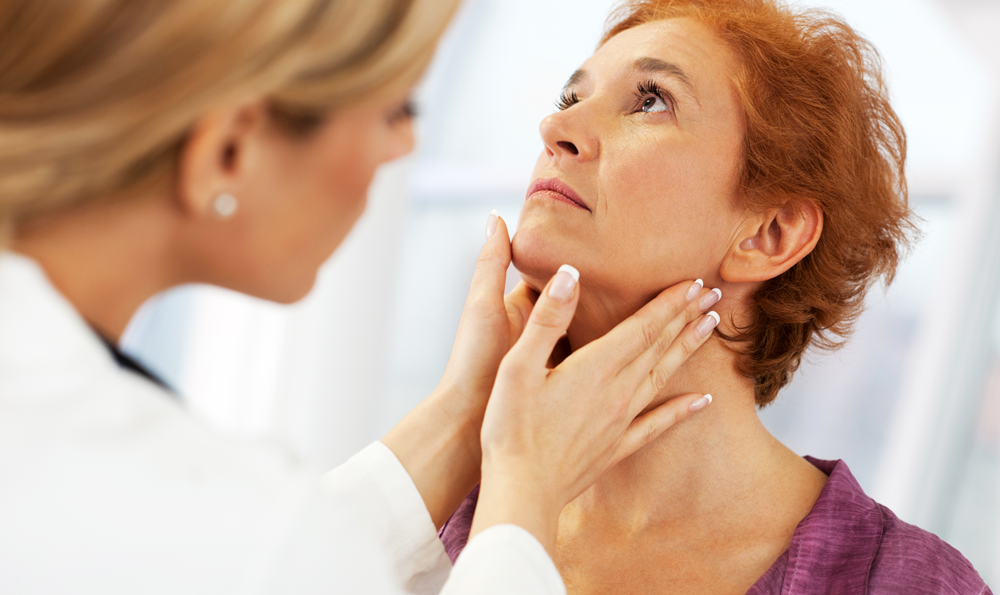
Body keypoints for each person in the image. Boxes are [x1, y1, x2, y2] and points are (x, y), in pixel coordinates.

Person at [0, 0, 724, 593]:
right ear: (228, 151)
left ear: (772, 233)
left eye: (649, 101)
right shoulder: (227, 525)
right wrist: (526, 487)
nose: (403, 146)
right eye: (396, 108)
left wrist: (464, 416)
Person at [437, 1, 993, 594]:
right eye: (570, 99)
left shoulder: (905, 584)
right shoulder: (444, 523)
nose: (554, 127)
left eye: (651, 101)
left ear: (769, 235)